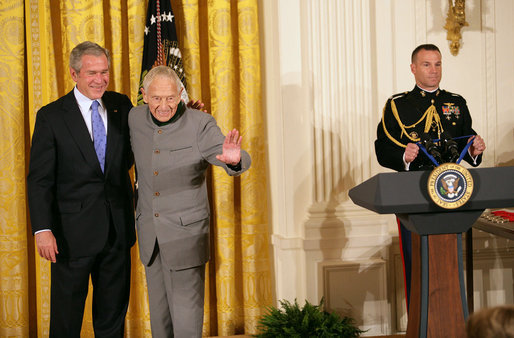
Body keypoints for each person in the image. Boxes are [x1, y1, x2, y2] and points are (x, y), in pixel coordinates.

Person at [129, 65, 251, 337]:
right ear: (144, 95)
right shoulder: (134, 118)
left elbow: (229, 153)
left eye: (171, 98)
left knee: (186, 326)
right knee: (160, 324)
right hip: (150, 236)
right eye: (157, 98)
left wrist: (235, 159)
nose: (164, 106)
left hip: (185, 237)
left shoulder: (199, 123)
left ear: (180, 94)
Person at [27, 41, 136, 337]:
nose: (99, 80)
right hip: (70, 236)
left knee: (112, 318)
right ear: (74, 74)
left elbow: (146, 140)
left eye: (104, 72)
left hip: (117, 231)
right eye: (92, 73)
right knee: (66, 320)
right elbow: (39, 179)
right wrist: (42, 229)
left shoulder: (121, 105)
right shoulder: (51, 116)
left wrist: (181, 114)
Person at [374, 43, 486, 308]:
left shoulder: (456, 103)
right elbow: (382, 148)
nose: (433, 71)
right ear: (413, 69)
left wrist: (474, 149)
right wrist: (404, 155)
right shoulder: (398, 105)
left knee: (449, 260)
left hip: (452, 190)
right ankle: (421, 321)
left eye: (437, 64)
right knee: (417, 261)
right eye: (426, 64)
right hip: (414, 191)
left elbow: (464, 140)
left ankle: (452, 320)